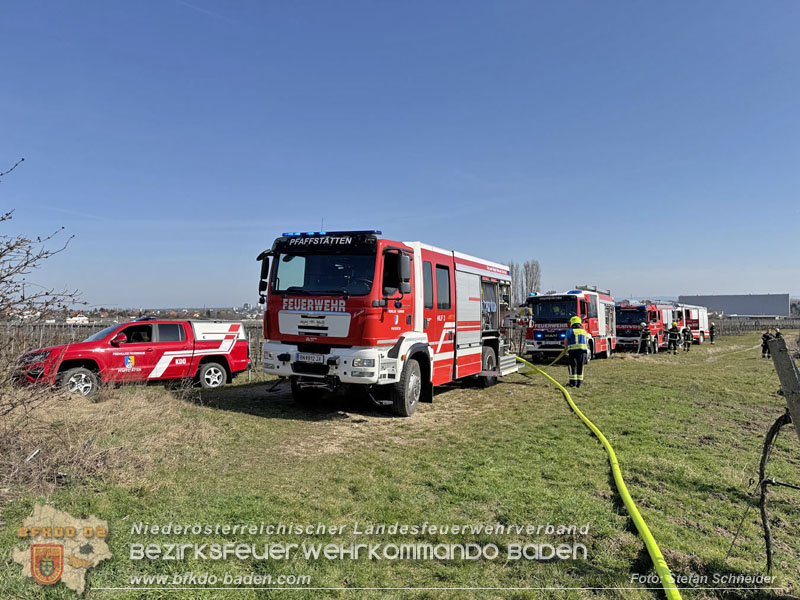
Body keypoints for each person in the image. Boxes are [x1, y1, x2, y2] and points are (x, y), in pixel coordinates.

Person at [564, 316, 589, 388]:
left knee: (573, 366)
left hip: (573, 351)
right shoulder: (584, 331)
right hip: (583, 351)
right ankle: (579, 383)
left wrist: (566, 347)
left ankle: (573, 382)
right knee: (580, 366)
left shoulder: (570, 331)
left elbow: (566, 341)